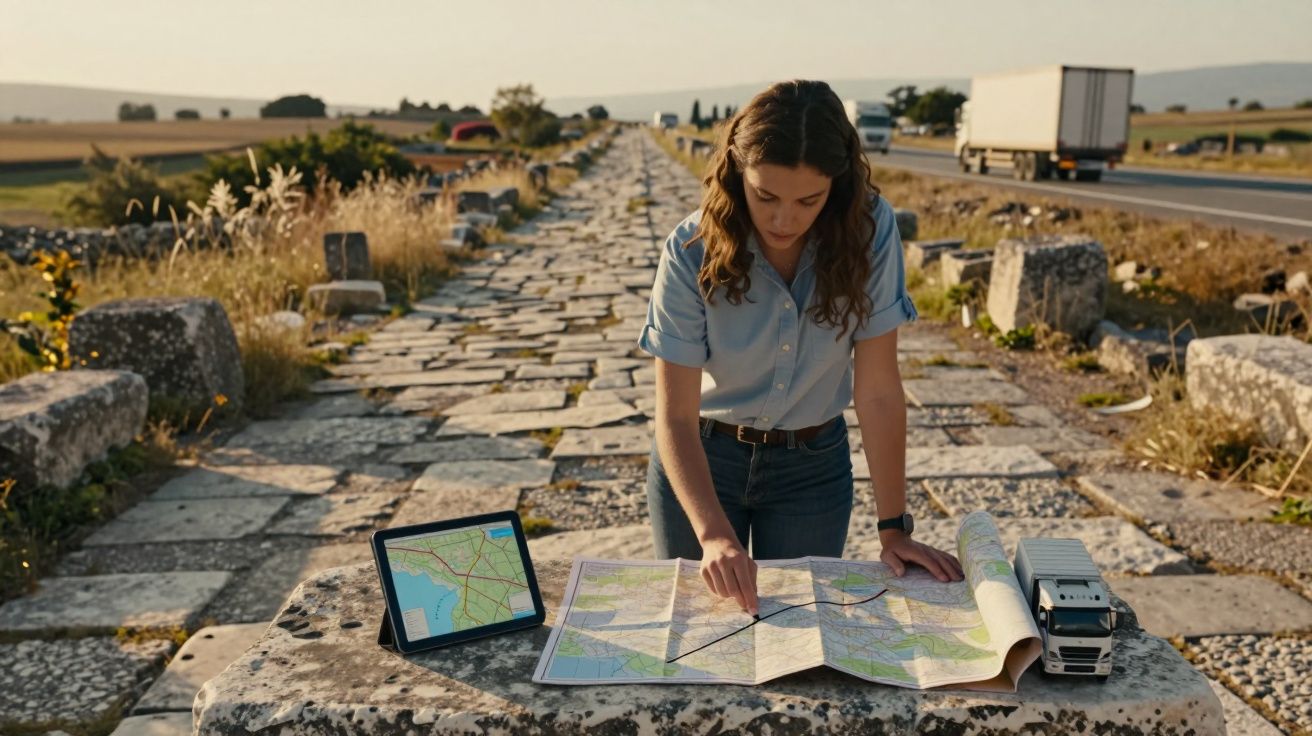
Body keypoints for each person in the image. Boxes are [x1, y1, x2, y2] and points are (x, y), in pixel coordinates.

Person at [638, 80, 965, 617]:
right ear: (736, 173)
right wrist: (715, 536)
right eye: (765, 195)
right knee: (698, 636)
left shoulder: (871, 231)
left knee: (799, 634)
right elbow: (673, 415)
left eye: (807, 200)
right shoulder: (689, 248)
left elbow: (879, 391)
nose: (783, 220)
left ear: (835, 189)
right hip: (703, 460)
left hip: (812, 472)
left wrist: (893, 528)